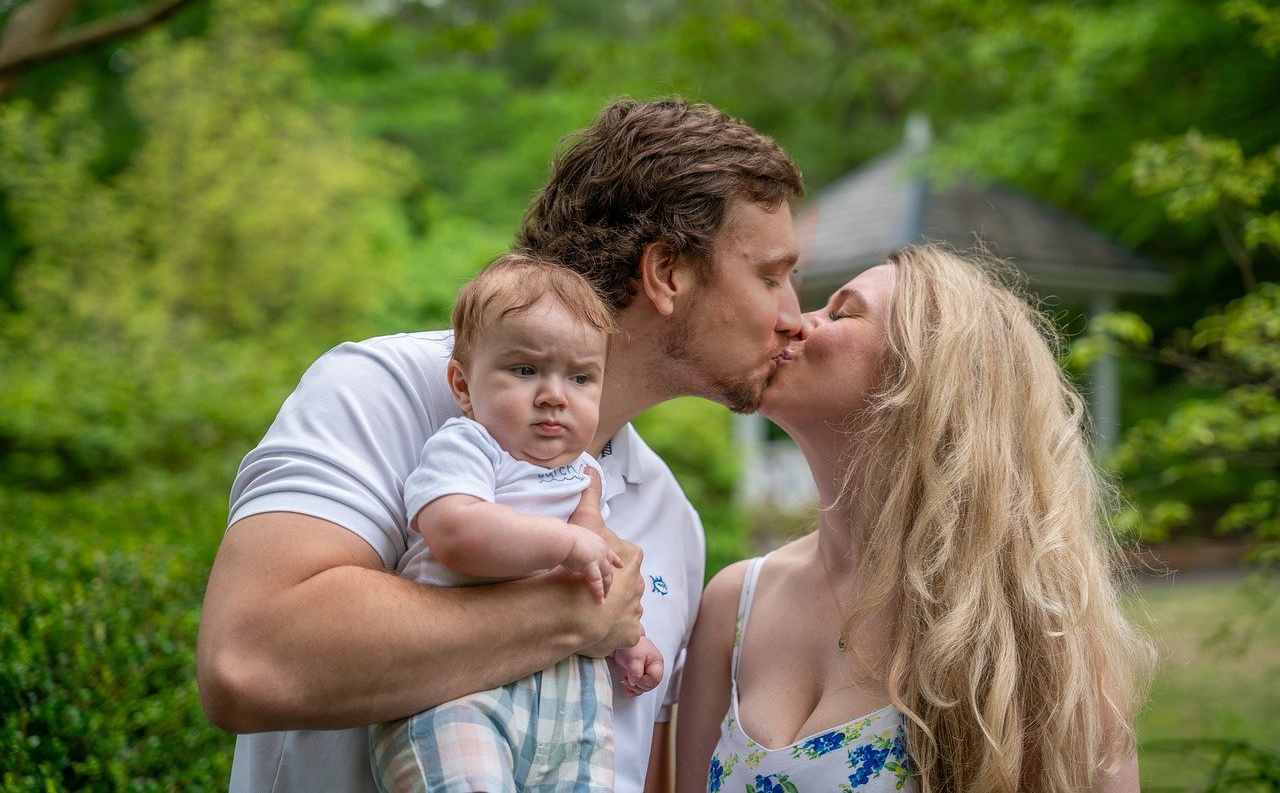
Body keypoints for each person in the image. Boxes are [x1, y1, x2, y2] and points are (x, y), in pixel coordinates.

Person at [197, 97, 807, 793]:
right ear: (667, 273)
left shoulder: (674, 520)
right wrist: (569, 614)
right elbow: (246, 661)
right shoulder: (377, 391)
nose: (794, 316)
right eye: (770, 276)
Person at [675, 245, 1155, 793]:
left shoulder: (1031, 624)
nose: (792, 322)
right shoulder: (734, 602)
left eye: (840, 312)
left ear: (923, 377)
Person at [370, 253, 663, 791]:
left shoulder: (584, 474)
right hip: (461, 694)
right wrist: (566, 543)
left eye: (580, 377)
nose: (554, 395)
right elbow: (455, 531)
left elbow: (603, 581)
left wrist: (630, 637)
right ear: (462, 386)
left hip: (572, 711)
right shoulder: (470, 446)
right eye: (526, 370)